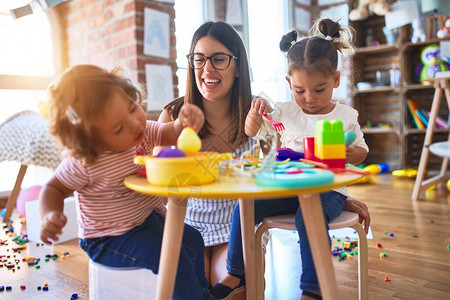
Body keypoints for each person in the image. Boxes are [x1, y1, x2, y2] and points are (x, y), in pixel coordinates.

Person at [211, 18, 369, 300]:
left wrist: (351, 153)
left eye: (319, 89)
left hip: (327, 189)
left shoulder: (345, 116)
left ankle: (313, 288)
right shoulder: (284, 111)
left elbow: (361, 152)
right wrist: (254, 112)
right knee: (244, 208)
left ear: (335, 79)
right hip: (288, 188)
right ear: (289, 83)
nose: (309, 98)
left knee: (307, 218)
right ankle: (236, 273)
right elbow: (251, 132)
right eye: (300, 90)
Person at [38, 64, 214, 300]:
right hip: (108, 238)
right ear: (91, 139)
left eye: (133, 109)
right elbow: (54, 188)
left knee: (193, 239)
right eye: (119, 128)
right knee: (173, 259)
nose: (135, 124)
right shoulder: (86, 160)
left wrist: (185, 124)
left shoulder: (142, 133)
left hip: (147, 221)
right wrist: (50, 214)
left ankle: (201, 295)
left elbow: (171, 131)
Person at [155, 21, 255, 299]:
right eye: (199, 59)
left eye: (219, 59)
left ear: (237, 67)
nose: (207, 69)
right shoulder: (172, 117)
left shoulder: (256, 115)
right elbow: (156, 183)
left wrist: (337, 198)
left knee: (232, 289)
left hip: (235, 228)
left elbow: (283, 167)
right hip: (184, 225)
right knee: (192, 289)